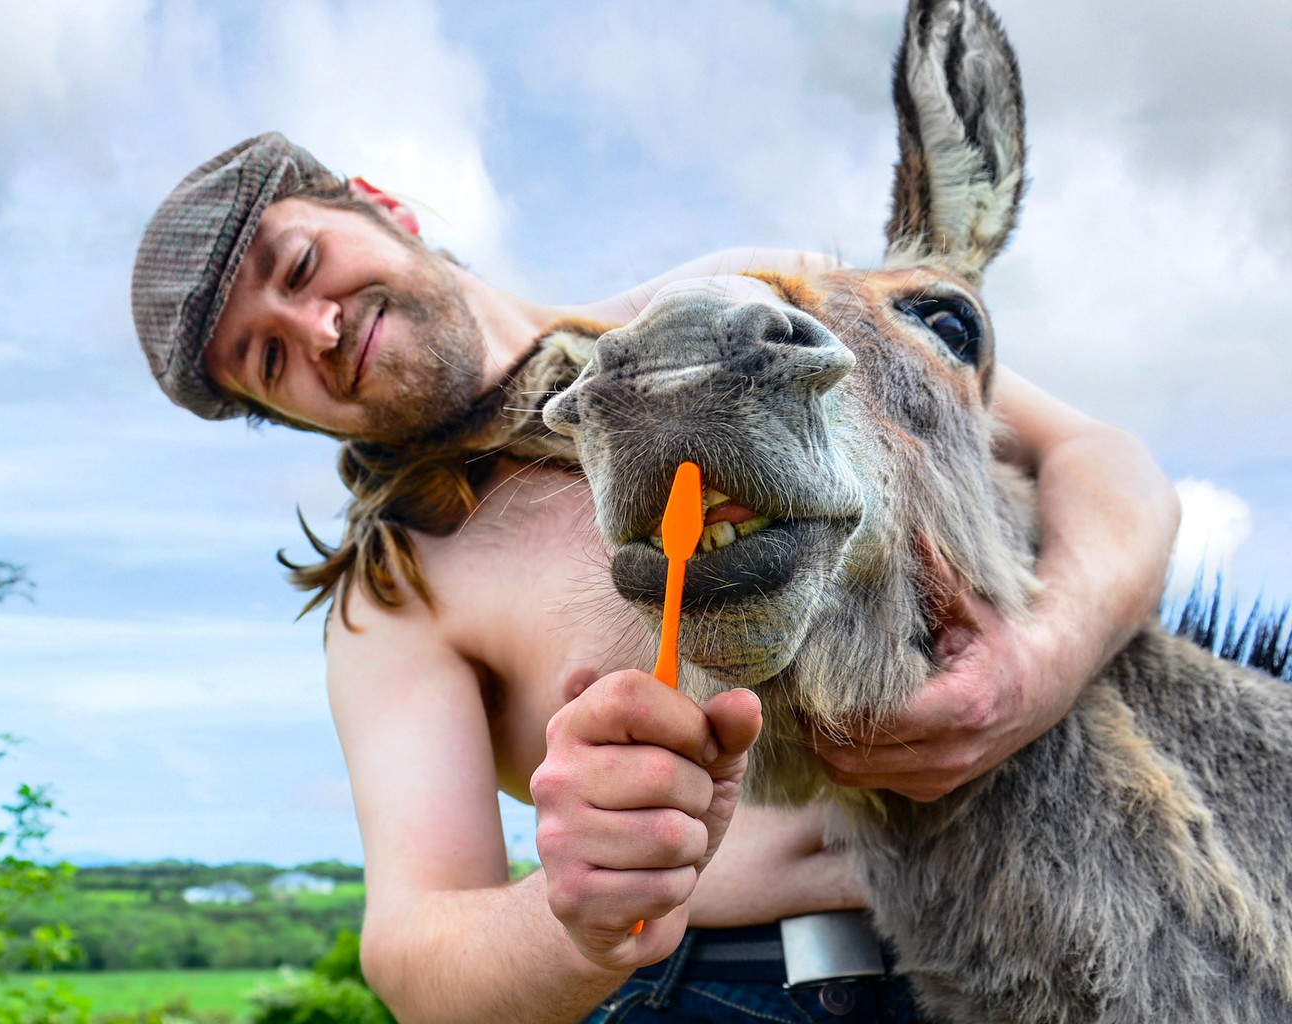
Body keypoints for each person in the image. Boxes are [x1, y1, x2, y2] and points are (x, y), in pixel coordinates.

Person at [132, 134, 1181, 1023]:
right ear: (290, 416)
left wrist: (1038, 664)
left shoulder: (739, 296)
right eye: (268, 360)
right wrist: (576, 916)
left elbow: (1098, 459)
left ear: (379, 205)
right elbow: (413, 947)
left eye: (302, 263)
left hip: (1109, 918)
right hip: (759, 987)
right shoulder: (397, 599)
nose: (315, 329)